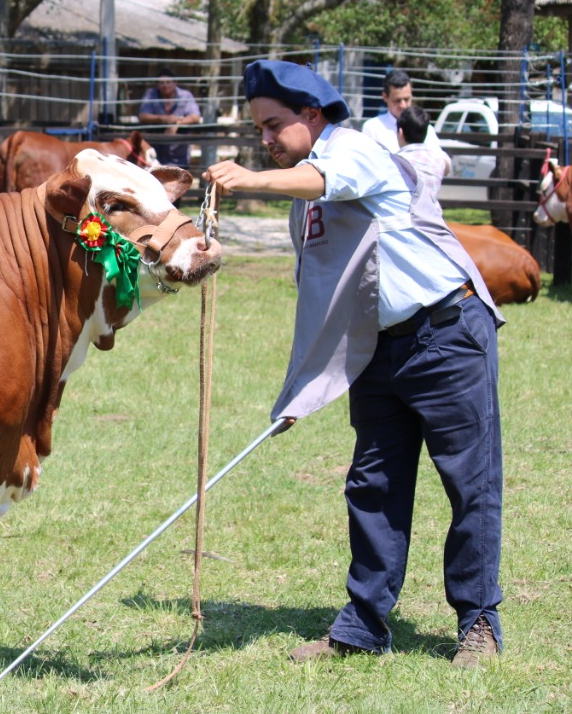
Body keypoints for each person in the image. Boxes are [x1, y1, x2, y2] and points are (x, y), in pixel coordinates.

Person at [203, 59, 504, 669]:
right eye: (259, 129)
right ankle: (364, 626)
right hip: (377, 351)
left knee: (470, 484)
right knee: (373, 487)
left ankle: (479, 623)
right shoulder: (303, 206)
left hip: (446, 332)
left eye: (273, 126)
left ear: (313, 115)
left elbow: (323, 180)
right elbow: (321, 300)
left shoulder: (357, 151)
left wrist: (247, 179)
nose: (264, 140)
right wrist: (302, 390)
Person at [138, 67, 201, 167]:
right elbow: (143, 116)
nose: (165, 85)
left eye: (168, 82)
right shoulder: (151, 94)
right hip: (155, 153)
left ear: (175, 83)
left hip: (178, 155)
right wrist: (164, 119)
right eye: (161, 83)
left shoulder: (185, 95)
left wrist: (177, 123)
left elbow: (195, 117)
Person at [396, 105, 452, 204]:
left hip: (408, 216)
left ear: (400, 132)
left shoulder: (396, 162)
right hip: (433, 216)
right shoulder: (438, 160)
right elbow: (447, 166)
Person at [361, 68, 413, 152]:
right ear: (385, 97)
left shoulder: (424, 128)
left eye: (406, 99)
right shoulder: (373, 128)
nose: (403, 105)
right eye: (397, 100)